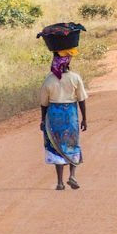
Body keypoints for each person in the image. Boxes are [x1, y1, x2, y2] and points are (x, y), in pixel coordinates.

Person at [39, 50, 88, 190]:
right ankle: (72, 175)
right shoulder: (75, 78)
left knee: (56, 146)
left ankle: (60, 182)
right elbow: (81, 100)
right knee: (72, 143)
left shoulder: (49, 80)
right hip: (70, 114)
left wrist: (43, 120)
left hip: (54, 115)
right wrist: (84, 119)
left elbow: (44, 104)